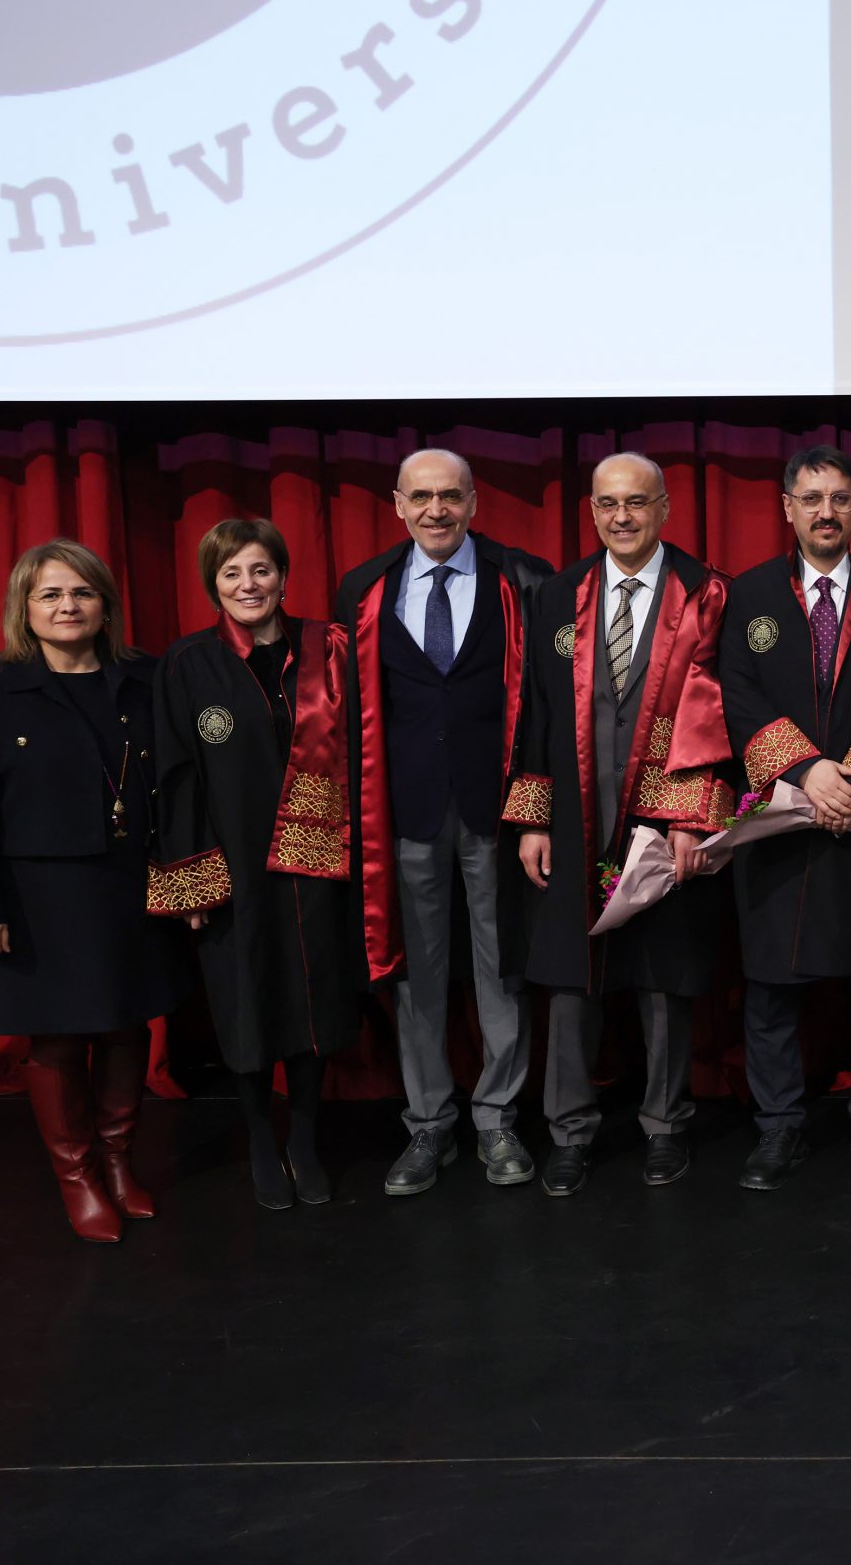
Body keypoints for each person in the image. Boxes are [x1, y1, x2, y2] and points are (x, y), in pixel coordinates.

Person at [503, 452, 731, 1196]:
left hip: (664, 817)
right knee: (572, 981)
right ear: (594, 511)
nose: (622, 517)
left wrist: (694, 818)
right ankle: (569, 1130)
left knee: (663, 979)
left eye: (636, 502)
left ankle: (665, 1126)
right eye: (608, 504)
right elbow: (537, 709)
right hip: (575, 815)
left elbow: (718, 713)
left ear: (664, 507)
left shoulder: (706, 591)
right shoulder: (559, 593)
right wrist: (533, 819)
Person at [0, 540, 178, 1241]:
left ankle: (119, 1162)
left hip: (131, 881)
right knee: (59, 1036)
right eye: (50, 594)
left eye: (82, 592)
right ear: (25, 608)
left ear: (105, 605)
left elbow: (179, 783)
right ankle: (78, 1177)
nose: (67, 606)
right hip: (37, 892)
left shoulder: (146, 678)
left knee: (129, 1023)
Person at [337, 448, 555, 1197]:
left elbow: (545, 706)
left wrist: (535, 807)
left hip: (499, 810)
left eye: (451, 496)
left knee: (502, 966)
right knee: (416, 972)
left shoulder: (521, 579)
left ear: (473, 502)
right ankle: (429, 1120)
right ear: (398, 504)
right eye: (422, 496)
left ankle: (496, 1119)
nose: (437, 510)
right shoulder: (364, 588)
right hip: (405, 811)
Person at [717, 444, 851, 1192]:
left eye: (839, 498)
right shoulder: (749, 593)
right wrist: (808, 770)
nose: (826, 512)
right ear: (787, 507)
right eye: (811, 498)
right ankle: (779, 1125)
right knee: (772, 984)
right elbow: (736, 694)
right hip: (780, 820)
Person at [147, 519, 367, 1210]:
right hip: (234, 865)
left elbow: (365, 751)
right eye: (232, 573)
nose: (249, 585)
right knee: (245, 1000)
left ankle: (303, 1139)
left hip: (316, 861)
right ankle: (259, 1141)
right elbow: (177, 774)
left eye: (261, 570)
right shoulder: (188, 663)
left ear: (283, 576)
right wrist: (191, 879)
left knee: (312, 999)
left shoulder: (330, 648)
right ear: (212, 584)